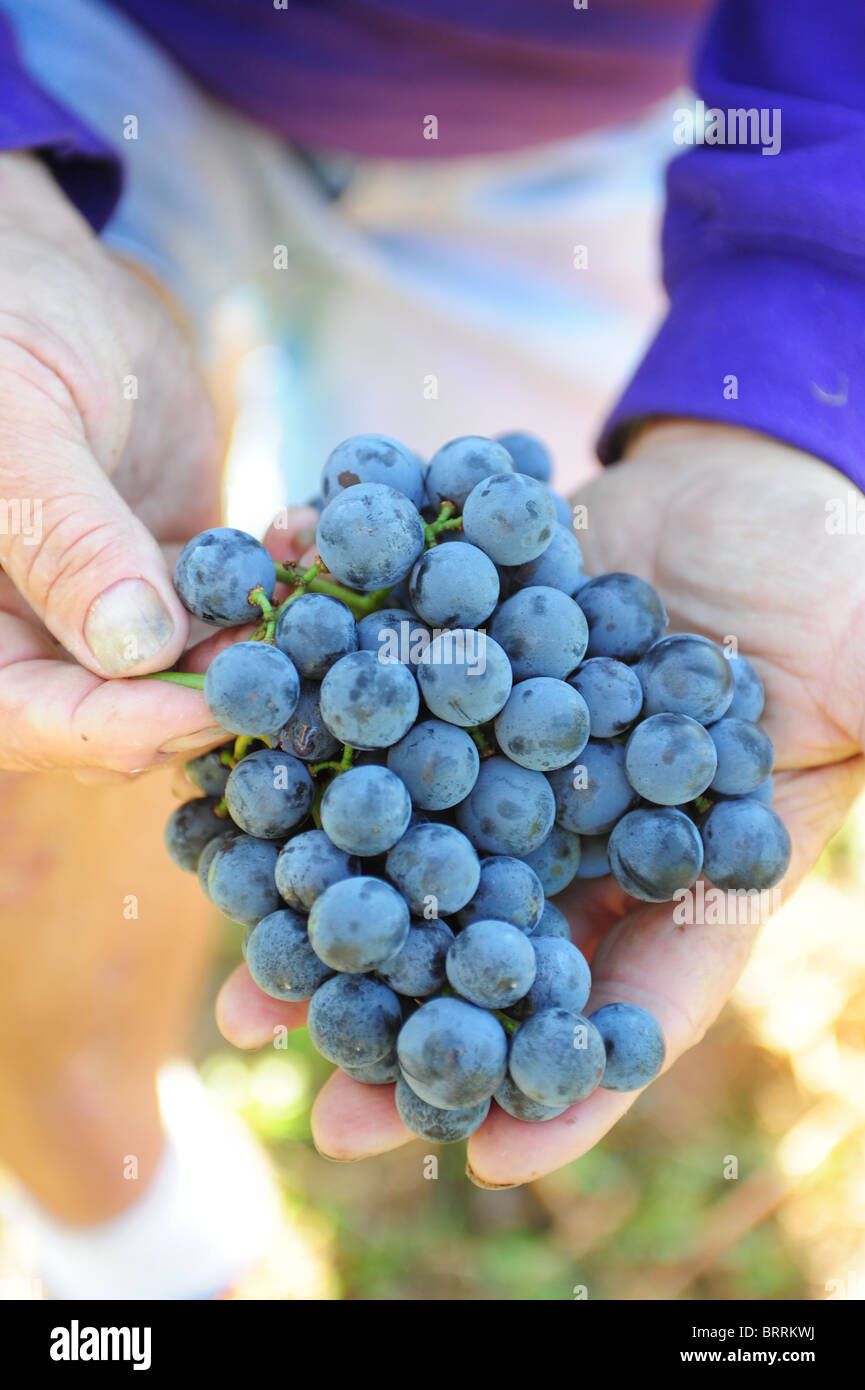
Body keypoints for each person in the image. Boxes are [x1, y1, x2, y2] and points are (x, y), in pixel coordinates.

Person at [0, 0, 862, 1295]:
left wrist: (795, 354)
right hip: (85, 63)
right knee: (50, 735)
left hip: (576, 129)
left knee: (565, 546)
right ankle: (108, 1189)